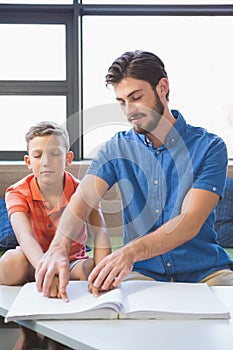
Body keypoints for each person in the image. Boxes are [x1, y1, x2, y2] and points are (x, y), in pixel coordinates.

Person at [35, 50, 233, 301]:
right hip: (143, 274)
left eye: (136, 97)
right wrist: (58, 247)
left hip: (206, 272)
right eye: (121, 102)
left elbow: (189, 222)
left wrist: (128, 253)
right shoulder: (116, 148)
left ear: (162, 87)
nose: (129, 111)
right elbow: (82, 200)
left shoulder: (210, 147)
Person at [0, 121, 111, 349]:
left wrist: (104, 273)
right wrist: (47, 270)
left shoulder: (83, 189)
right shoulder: (17, 191)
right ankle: (28, 329)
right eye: (39, 155)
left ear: (68, 158)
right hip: (33, 261)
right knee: (10, 262)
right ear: (29, 162)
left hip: (72, 263)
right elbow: (25, 237)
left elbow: (100, 234)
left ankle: (59, 333)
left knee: (94, 269)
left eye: (54, 154)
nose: (46, 162)